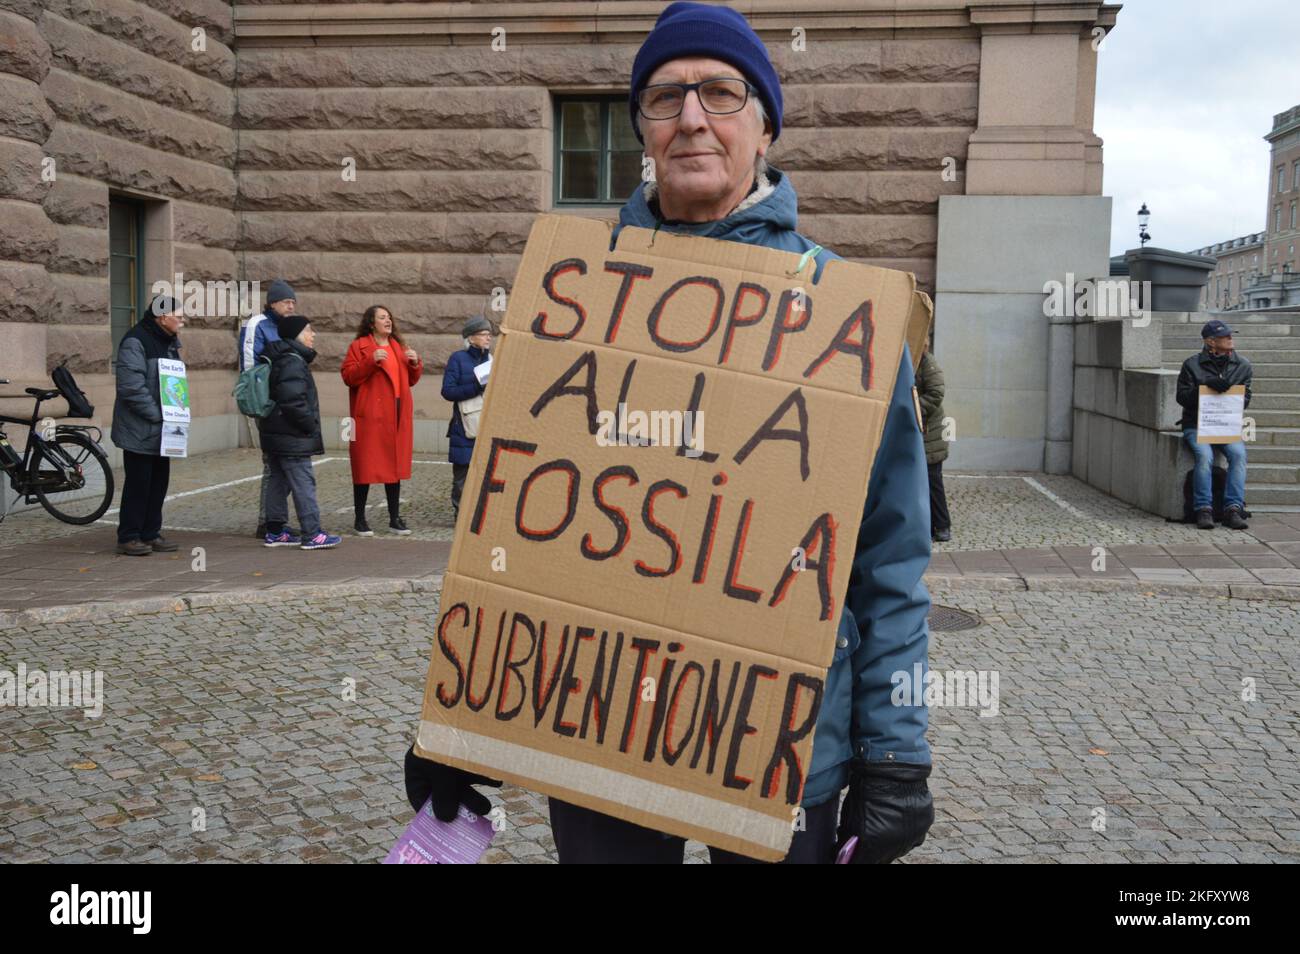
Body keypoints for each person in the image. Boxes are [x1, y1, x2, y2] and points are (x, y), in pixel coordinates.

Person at [406, 1, 934, 865]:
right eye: (665, 96)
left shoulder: (849, 318)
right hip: (594, 729)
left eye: (721, 94)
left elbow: (891, 560)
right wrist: (456, 722)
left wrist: (897, 752)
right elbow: (508, 535)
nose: (692, 116)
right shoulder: (571, 295)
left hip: (783, 746)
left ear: (765, 129)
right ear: (643, 133)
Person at [256, 315, 341, 550]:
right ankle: (312, 533)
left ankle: (274, 531)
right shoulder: (293, 360)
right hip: (291, 433)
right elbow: (293, 400)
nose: (312, 335)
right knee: (303, 481)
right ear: (296, 335)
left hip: (274, 430)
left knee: (278, 479)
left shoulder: (278, 356)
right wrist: (309, 425)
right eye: (308, 330)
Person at [340, 305, 424, 535]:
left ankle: (394, 517)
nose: (387, 320)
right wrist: (370, 360)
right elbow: (348, 376)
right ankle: (360, 519)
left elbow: (411, 380)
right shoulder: (359, 347)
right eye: (382, 317)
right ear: (371, 323)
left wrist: (416, 363)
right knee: (364, 467)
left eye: (389, 317)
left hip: (396, 412)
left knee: (394, 466)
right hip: (370, 417)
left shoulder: (400, 347)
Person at [111, 294, 184, 556]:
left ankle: (150, 533)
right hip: (140, 427)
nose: (182, 319)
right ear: (163, 317)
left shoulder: (170, 342)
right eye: (178, 314)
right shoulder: (135, 341)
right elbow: (131, 388)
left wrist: (176, 414)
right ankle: (129, 536)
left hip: (163, 427)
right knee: (139, 484)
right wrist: (158, 414)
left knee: (158, 482)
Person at [1176, 318, 1252, 530]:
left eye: (1230, 335)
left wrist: (1233, 396)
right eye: (1225, 336)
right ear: (1210, 342)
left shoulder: (1243, 365)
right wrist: (1204, 386)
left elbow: (1247, 398)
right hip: (1197, 425)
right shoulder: (1191, 364)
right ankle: (1203, 509)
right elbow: (1181, 397)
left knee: (1238, 455)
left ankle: (1233, 509)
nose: (1230, 339)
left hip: (1226, 425)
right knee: (1204, 456)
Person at [238, 279, 298, 539]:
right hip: (268, 404)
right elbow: (250, 369)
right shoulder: (256, 324)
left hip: (287, 403)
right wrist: (259, 405)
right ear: (273, 302)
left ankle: (275, 519)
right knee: (273, 463)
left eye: (293, 302)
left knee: (285, 462)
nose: (291, 306)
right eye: (287, 302)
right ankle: (268, 521)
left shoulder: (289, 327)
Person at [440, 316, 493, 520]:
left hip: (487, 423)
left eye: (489, 334)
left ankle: (480, 515)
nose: (488, 338)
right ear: (471, 338)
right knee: (462, 476)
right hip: (464, 426)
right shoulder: (457, 359)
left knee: (484, 475)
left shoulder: (492, 359)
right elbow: (448, 391)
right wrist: (476, 387)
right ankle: (460, 516)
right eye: (483, 334)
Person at [917, 346, 952, 543]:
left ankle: (942, 525)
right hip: (919, 431)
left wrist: (914, 409)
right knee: (920, 483)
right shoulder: (912, 361)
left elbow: (936, 392)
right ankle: (928, 526)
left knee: (933, 481)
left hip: (931, 435)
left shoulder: (927, 361)